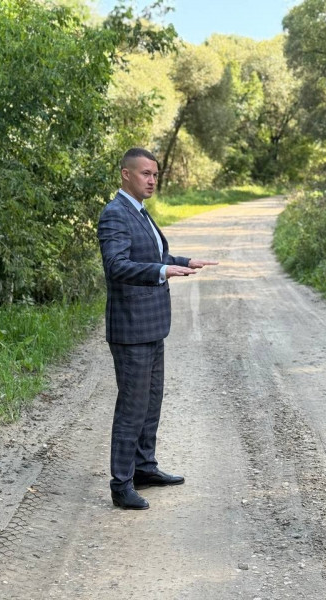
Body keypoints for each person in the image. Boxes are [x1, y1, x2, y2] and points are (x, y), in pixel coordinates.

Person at [97, 147, 217, 510]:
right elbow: (116, 265)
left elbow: (151, 256)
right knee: (132, 408)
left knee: (151, 402)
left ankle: (144, 468)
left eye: (155, 174)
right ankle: (121, 484)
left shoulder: (139, 211)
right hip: (131, 328)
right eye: (145, 173)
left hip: (151, 325)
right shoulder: (115, 213)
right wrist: (163, 271)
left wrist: (182, 261)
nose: (152, 180)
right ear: (126, 174)